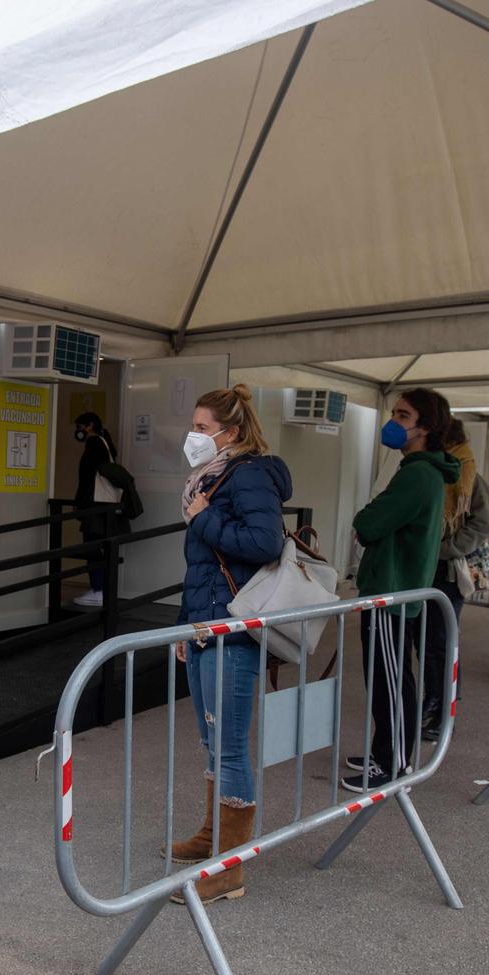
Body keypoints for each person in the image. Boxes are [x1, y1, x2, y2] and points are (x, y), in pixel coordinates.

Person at [168, 384, 290, 904]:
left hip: (235, 628)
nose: (192, 436)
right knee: (213, 739)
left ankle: (230, 868)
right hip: (206, 623)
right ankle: (211, 836)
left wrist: (204, 517)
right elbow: (201, 566)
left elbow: (265, 543)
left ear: (230, 432)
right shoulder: (212, 478)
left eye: (201, 427)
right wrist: (184, 624)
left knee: (231, 745)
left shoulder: (250, 475)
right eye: (193, 426)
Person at [348, 390, 459, 787]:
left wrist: (366, 521)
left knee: (390, 680)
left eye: (403, 415)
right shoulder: (418, 469)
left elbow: (371, 522)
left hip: (393, 590)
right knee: (389, 677)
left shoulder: (417, 473)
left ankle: (392, 762)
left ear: (425, 427)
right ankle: (386, 751)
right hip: (395, 588)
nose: (393, 422)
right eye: (393, 412)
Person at [422, 419, 489, 742]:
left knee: (443, 639)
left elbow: (484, 523)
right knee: (424, 639)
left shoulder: (469, 478)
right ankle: (433, 698)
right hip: (425, 567)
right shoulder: (429, 473)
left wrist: (447, 549)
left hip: (448, 569)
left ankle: (445, 707)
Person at [70, 411, 125, 608]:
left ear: (89, 425)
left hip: (95, 505)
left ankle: (99, 590)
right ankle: (101, 590)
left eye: (79, 427)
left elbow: (86, 476)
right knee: (101, 549)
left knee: (92, 548)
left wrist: (79, 502)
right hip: (106, 505)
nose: (78, 432)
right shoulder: (105, 443)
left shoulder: (94, 443)